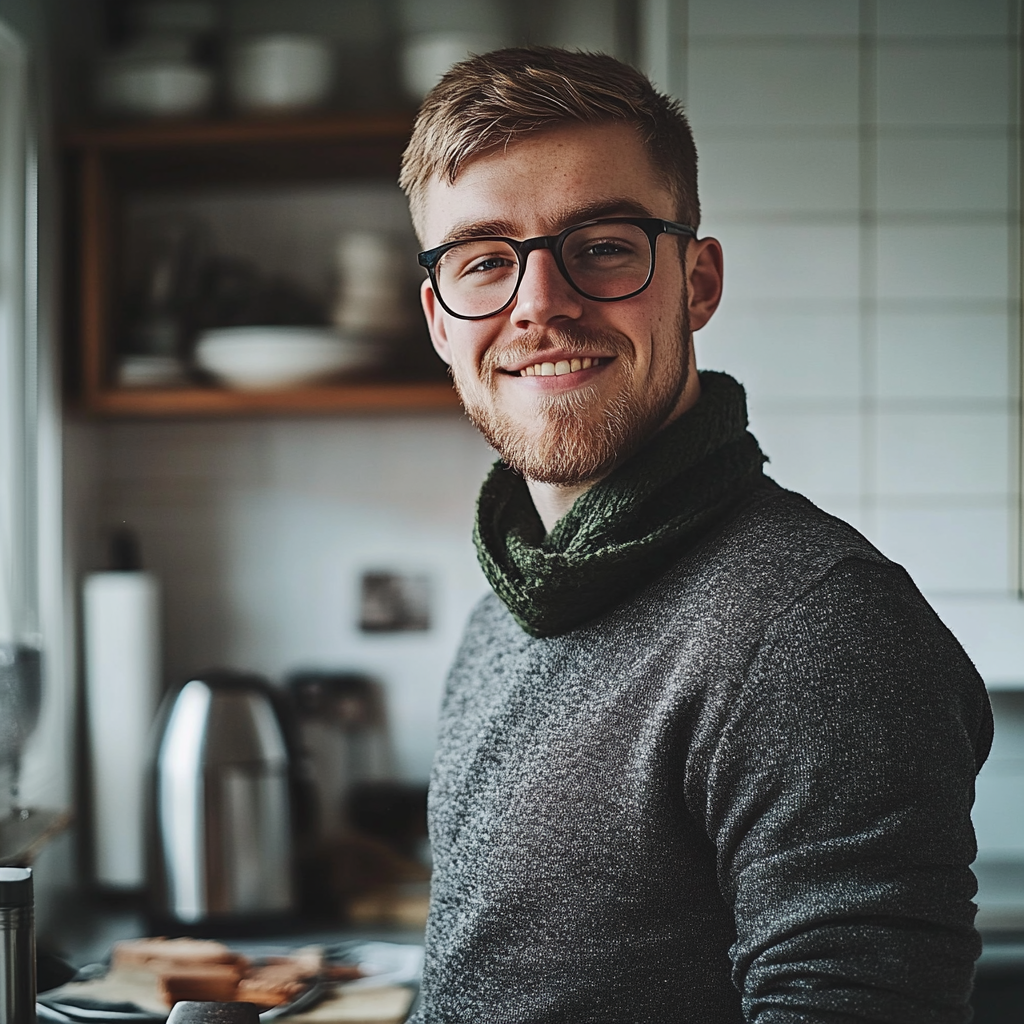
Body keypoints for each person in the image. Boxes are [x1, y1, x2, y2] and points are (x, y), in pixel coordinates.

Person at [398, 47, 993, 1024]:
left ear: (697, 281)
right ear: (438, 318)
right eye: (484, 260)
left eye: (602, 244)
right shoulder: (510, 604)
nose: (540, 303)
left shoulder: (816, 630)